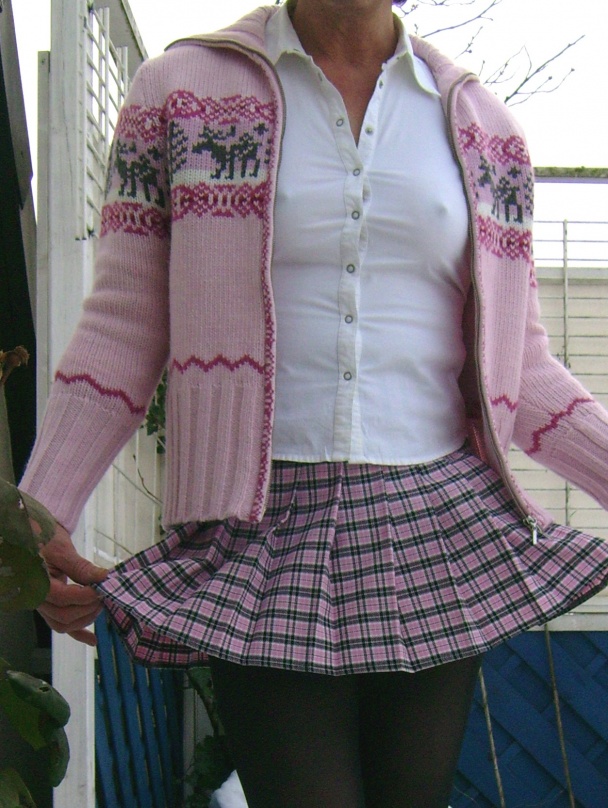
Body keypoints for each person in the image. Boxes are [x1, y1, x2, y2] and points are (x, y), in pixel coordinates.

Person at [19, 0, 608, 805]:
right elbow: (124, 326)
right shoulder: (180, 91)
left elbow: (522, 366)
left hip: (436, 523)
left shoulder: (484, 128)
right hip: (261, 524)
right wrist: (40, 510)